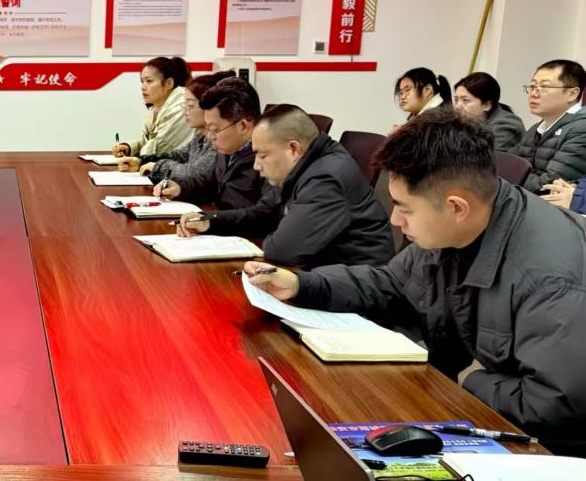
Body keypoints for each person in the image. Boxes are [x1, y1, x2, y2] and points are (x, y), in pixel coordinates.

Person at [243, 109, 586, 452]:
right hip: (470, 405)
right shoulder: (458, 227)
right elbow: (391, 284)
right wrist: (304, 285)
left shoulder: (548, 279)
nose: (394, 220)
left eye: (404, 208)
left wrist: (471, 378)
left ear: (456, 207)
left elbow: (554, 408)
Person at [178, 104, 394, 268]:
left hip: (355, 293)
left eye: (263, 155)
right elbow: (264, 212)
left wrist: (275, 233)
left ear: (293, 149)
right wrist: (210, 222)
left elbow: (282, 250)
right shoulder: (303, 166)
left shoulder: (325, 177)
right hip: (323, 275)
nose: (256, 166)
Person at [170, 77, 264, 210]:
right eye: (208, 128)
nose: (210, 136)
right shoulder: (228, 149)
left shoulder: (266, 158)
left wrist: (213, 218)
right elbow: (208, 182)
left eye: (214, 129)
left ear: (243, 126)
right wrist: (179, 188)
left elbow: (263, 213)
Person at [146, 71, 235, 198]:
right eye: (185, 104)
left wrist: (157, 166)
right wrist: (141, 160)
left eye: (190, 105)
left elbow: (192, 172)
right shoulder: (200, 135)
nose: (185, 111)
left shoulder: (219, 141)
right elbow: (180, 155)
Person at [515, 59, 586, 193]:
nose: (534, 94)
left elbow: (549, 185)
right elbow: (508, 164)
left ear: (572, 94)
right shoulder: (536, 128)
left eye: (544, 87)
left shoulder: (582, 129)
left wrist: (507, 181)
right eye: (532, 86)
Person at [113, 57, 193, 165]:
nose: (143, 87)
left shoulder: (180, 108)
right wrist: (129, 147)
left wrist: (137, 160)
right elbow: (151, 140)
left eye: (149, 81)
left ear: (169, 83)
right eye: (142, 81)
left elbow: (159, 149)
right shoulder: (158, 107)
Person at [452, 72, 525, 153]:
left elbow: (482, 158)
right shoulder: (464, 122)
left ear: (487, 105)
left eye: (465, 100)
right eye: (456, 100)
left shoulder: (506, 125)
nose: (457, 106)